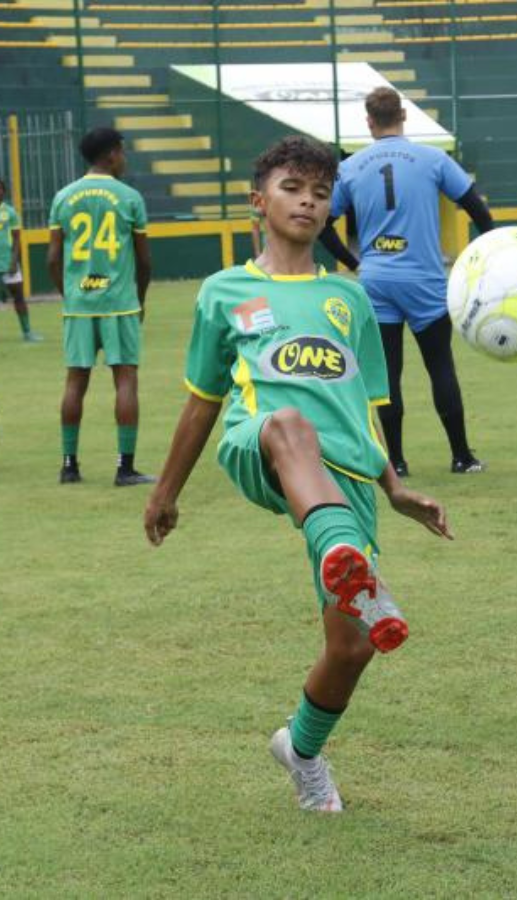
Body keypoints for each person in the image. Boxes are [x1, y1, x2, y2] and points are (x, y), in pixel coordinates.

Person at [143, 135, 452, 812]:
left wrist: (393, 485)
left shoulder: (351, 299)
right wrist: (165, 492)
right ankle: (343, 554)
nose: (307, 201)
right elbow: (202, 401)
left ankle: (302, 749)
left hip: (341, 479)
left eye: (319, 192)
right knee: (289, 425)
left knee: (353, 646)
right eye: (292, 188)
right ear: (259, 203)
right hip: (259, 447)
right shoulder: (225, 291)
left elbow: (371, 407)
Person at [330, 86, 494, 477]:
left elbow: (322, 224)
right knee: (440, 365)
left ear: (369, 122)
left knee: (387, 372)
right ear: (403, 116)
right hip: (424, 280)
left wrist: (353, 262)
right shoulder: (432, 159)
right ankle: (461, 457)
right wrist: (483, 257)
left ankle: (396, 461)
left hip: (376, 280)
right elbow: (477, 209)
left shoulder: (350, 167)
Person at [46, 126, 153, 486]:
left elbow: (51, 258)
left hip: (79, 305)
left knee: (75, 382)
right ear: (110, 154)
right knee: (125, 381)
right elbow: (144, 260)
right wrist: (139, 300)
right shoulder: (129, 197)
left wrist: (71, 294)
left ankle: (69, 466)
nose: (124, 158)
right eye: (122, 151)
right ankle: (125, 468)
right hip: (118, 304)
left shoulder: (63, 196)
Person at [0, 178, 42, 342]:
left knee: (19, 297)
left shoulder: (10, 212)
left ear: (4, 191)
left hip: (8, 262)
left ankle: (27, 332)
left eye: (0, 188)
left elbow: (17, 238)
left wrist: (13, 261)